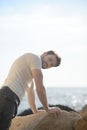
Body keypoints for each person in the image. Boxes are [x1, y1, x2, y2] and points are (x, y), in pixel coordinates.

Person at [0, 50, 61, 130]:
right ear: (44, 54)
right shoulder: (35, 58)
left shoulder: (30, 69)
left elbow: (30, 92)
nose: (48, 64)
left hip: (6, 95)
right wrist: (47, 109)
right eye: (50, 59)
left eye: (51, 65)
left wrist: (35, 111)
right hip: (9, 96)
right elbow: (40, 88)